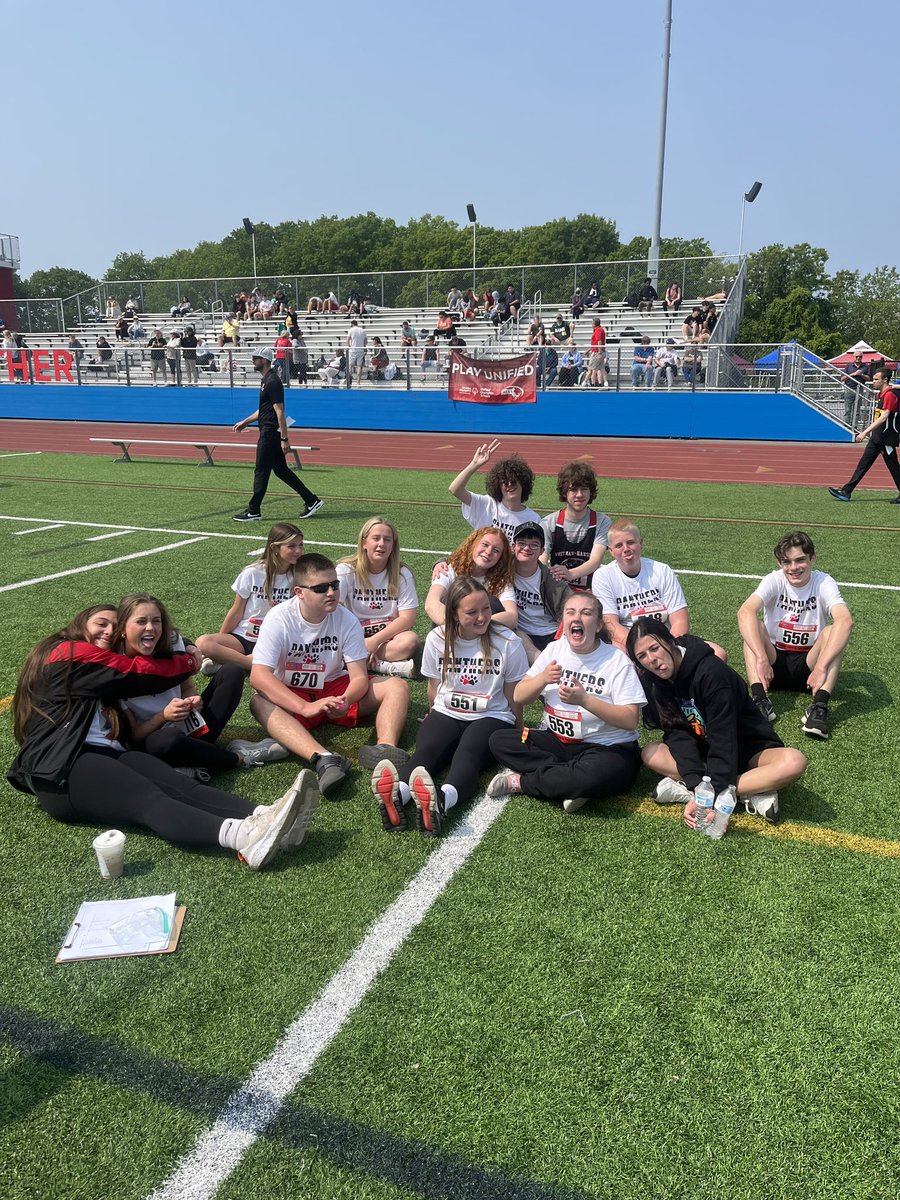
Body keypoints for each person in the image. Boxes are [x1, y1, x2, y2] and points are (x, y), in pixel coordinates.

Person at [7, 605, 316, 869]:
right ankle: (244, 837)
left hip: (100, 755)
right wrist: (192, 659)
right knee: (148, 799)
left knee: (178, 784)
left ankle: (261, 814)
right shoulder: (66, 651)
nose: (107, 632)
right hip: (63, 770)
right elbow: (138, 671)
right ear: (78, 626)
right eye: (100, 624)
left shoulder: (94, 674)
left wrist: (187, 649)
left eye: (113, 628)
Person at [372, 579, 528, 837]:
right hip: (446, 712)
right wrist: (432, 715)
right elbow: (434, 686)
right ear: (453, 613)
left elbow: (513, 692)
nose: (482, 617)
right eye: (472, 612)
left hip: (491, 717)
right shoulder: (438, 638)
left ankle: (438, 800)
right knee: (426, 753)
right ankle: (397, 794)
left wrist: (519, 728)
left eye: (486, 609)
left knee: (467, 754)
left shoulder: (507, 641)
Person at [248, 553, 411, 792]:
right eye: (321, 588)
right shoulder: (279, 618)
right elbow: (259, 676)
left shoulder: (346, 619)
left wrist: (345, 700)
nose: (331, 592)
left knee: (397, 686)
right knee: (258, 702)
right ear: (299, 592)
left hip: (335, 690)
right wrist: (305, 707)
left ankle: (384, 751)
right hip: (295, 695)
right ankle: (324, 758)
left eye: (334, 585)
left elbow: (358, 676)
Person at [627, 618, 807, 826]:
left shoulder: (711, 672)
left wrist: (710, 795)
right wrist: (697, 784)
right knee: (650, 753)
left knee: (794, 762)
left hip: (747, 748)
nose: (651, 659)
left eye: (654, 648)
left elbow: (724, 736)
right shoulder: (654, 682)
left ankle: (719, 791)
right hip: (705, 751)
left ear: (670, 641)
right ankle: (749, 791)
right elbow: (677, 734)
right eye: (642, 656)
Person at [486, 590, 645, 814]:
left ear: (598, 625)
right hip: (558, 743)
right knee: (499, 740)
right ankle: (570, 782)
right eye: (570, 612)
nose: (577, 618)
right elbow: (519, 696)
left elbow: (630, 720)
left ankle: (523, 783)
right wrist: (542, 678)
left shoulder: (616, 661)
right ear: (564, 620)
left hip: (606, 748)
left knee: (600, 773)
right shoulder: (554, 649)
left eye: (586, 613)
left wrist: (585, 700)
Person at [114, 593, 285, 774]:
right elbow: (135, 738)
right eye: (141, 621)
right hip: (155, 737)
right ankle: (236, 758)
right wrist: (163, 716)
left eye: (156, 621)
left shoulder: (171, 641)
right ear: (123, 628)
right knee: (166, 740)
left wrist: (192, 701)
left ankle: (192, 762)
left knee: (232, 672)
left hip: (190, 726)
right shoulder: (111, 666)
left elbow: (187, 687)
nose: (150, 628)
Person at [737, 530, 853, 740]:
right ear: (779, 562)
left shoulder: (823, 582)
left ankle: (819, 707)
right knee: (755, 626)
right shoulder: (774, 579)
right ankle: (760, 702)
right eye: (786, 562)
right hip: (773, 664)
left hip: (810, 669)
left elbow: (845, 620)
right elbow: (745, 612)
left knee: (832, 632)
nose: (793, 568)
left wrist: (820, 667)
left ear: (813, 559)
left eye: (800, 560)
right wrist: (762, 659)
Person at [197, 522, 304, 673]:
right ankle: (250, 662)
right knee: (203, 643)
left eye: (300, 545)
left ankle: (236, 661)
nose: (298, 550)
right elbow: (236, 611)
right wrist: (221, 645)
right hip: (244, 637)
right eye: (292, 546)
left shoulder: (301, 576)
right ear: (274, 548)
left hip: (277, 639)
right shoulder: (252, 572)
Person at [232, 347, 323, 523]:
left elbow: (279, 411)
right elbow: (264, 409)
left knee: (261, 471)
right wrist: (245, 422)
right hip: (269, 432)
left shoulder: (272, 381)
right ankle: (312, 500)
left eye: (256, 358)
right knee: (281, 471)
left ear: (264, 360)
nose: (253, 361)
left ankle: (254, 510)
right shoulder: (267, 380)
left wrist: (284, 439)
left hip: (270, 433)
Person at [337, 517, 420, 678]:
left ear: (393, 546)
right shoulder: (345, 570)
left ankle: (354, 662)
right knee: (330, 645)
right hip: (352, 635)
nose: (381, 544)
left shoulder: (402, 574)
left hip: (387, 636)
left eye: (387, 540)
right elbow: (333, 610)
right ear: (364, 543)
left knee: (410, 641)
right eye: (376, 538)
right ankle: (382, 666)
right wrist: (360, 642)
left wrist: (374, 642)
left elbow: (407, 618)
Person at [591, 519, 690, 651]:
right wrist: (643, 648)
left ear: (641, 543)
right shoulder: (603, 576)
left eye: (631, 542)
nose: (626, 549)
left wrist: (667, 648)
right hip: (628, 643)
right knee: (620, 655)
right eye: (619, 545)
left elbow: (680, 620)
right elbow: (611, 624)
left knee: (718, 653)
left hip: (667, 640)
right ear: (611, 551)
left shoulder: (662, 570)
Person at [828, 368, 900, 503]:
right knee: (863, 464)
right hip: (877, 437)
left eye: (876, 379)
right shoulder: (883, 393)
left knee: (894, 466)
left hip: (886, 438)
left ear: (885, 380)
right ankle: (846, 491)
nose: (873, 381)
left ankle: (846, 491)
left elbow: (884, 417)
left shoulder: (890, 395)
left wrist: (864, 432)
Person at [425, 527, 518, 630]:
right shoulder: (449, 569)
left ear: (501, 557)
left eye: (496, 550)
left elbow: (512, 617)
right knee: (448, 598)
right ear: (473, 544)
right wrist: (461, 627)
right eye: (485, 544)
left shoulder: (501, 580)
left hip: (483, 636)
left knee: (492, 603)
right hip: (452, 632)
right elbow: (431, 603)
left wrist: (477, 624)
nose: (488, 552)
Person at [541, 460, 611, 593]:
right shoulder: (549, 523)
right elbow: (541, 561)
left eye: (584, 489)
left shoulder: (602, 521)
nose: (579, 495)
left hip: (592, 589)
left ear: (591, 492)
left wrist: (570, 574)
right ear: (564, 493)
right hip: (559, 589)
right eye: (573, 489)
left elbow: (595, 561)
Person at [449, 440, 540, 540]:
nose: (509, 485)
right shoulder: (487, 504)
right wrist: (474, 464)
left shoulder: (533, 519)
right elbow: (455, 490)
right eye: (505, 482)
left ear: (523, 483)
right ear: (498, 485)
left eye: (513, 482)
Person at [510, 522, 568, 662]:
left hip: (550, 633)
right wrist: (445, 562)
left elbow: (570, 608)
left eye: (534, 545)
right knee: (519, 638)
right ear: (513, 547)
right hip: (521, 633)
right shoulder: (503, 572)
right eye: (521, 543)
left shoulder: (553, 580)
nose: (527, 548)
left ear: (542, 551)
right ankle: (542, 666)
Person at [345, 319, 367, 385]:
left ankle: (349, 381)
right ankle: (358, 383)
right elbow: (365, 342)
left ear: (352, 324)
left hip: (353, 350)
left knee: (350, 365)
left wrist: (349, 346)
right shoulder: (363, 330)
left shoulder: (351, 330)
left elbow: (347, 341)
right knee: (359, 366)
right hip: (360, 349)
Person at [587, 318, 607, 387]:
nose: (591, 325)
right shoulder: (599, 329)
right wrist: (588, 350)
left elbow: (599, 341)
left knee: (590, 369)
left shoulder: (598, 330)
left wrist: (599, 352)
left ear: (594, 324)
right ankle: (604, 383)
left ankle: (585, 383)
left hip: (596, 352)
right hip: (597, 351)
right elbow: (595, 343)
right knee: (601, 369)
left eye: (592, 323)